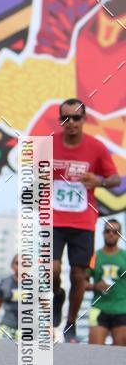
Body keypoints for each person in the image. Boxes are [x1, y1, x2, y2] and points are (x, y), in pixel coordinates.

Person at [52, 98, 120, 343]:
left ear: (84, 120)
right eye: (65, 118)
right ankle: (57, 294)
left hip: (83, 221)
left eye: (76, 118)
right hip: (54, 219)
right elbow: (31, 174)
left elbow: (115, 179)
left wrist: (98, 181)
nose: (70, 122)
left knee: (78, 275)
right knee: (52, 269)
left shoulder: (96, 147)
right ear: (60, 121)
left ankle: (70, 323)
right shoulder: (47, 145)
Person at [86, 218, 126, 346]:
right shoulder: (94, 257)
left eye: (115, 232)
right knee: (94, 351)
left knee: (120, 354)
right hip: (99, 309)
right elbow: (81, 284)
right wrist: (95, 286)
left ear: (120, 235)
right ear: (103, 233)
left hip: (122, 309)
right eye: (108, 231)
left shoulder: (124, 256)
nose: (111, 234)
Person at [0, 254, 20, 340]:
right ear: (12, 266)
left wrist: (49, 325)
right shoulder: (5, 283)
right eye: (17, 263)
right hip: (7, 328)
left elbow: (45, 306)